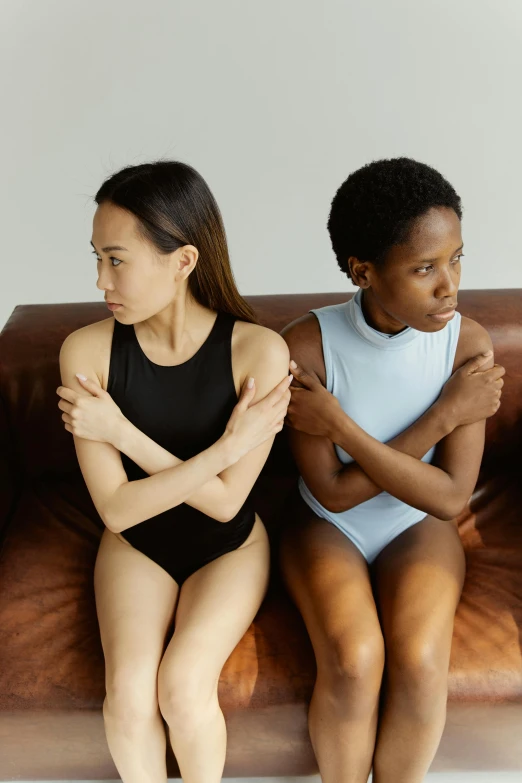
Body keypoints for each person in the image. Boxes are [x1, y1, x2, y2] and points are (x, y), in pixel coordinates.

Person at [56, 160, 291, 783]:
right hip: (138, 544)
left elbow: (223, 506)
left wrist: (121, 433)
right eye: (97, 258)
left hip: (228, 548)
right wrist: (223, 449)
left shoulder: (259, 352)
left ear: (183, 260)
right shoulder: (85, 352)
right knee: (129, 696)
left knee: (184, 688)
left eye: (116, 259)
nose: (100, 279)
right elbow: (117, 510)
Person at [280, 157, 505, 783]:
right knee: (353, 660)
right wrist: (443, 415)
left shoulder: (467, 346)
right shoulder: (305, 347)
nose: (449, 287)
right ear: (364, 271)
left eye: (457, 259)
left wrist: (344, 429)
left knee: (424, 659)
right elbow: (334, 491)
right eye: (425, 268)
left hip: (417, 523)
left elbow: (451, 497)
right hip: (329, 524)